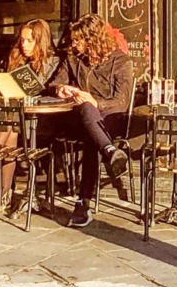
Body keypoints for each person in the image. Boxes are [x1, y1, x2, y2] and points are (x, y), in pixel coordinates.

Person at [53, 14, 134, 228]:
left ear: (93, 40)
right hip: (79, 120)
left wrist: (95, 102)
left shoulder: (120, 62)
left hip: (111, 118)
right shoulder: (73, 59)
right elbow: (55, 82)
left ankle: (83, 203)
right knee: (87, 116)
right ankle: (109, 152)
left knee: (91, 133)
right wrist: (61, 89)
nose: (74, 44)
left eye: (78, 40)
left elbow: (121, 101)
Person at [0, 19, 58, 217]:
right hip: (17, 120)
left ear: (40, 41)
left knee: (10, 125)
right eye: (22, 40)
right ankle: (4, 194)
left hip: (40, 121)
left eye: (29, 41)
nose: (23, 45)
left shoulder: (54, 63)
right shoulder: (17, 59)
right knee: (11, 131)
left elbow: (48, 93)